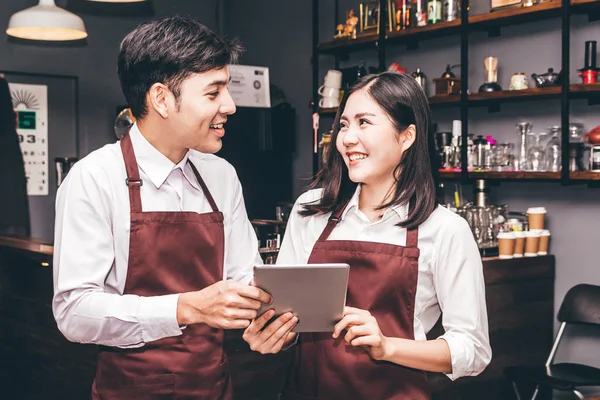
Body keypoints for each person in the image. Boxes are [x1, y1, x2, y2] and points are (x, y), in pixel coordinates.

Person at [52, 16, 272, 399]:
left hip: (215, 388)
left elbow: (244, 281)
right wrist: (186, 308)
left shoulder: (221, 175)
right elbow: (74, 313)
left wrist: (267, 315)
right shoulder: (96, 178)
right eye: (213, 92)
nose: (230, 106)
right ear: (161, 99)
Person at [242, 72, 492, 400]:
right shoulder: (311, 210)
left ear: (407, 137)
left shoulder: (445, 229)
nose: (346, 138)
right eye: (343, 124)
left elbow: (473, 350)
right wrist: (273, 334)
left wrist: (386, 346)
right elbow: (289, 317)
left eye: (364, 122)